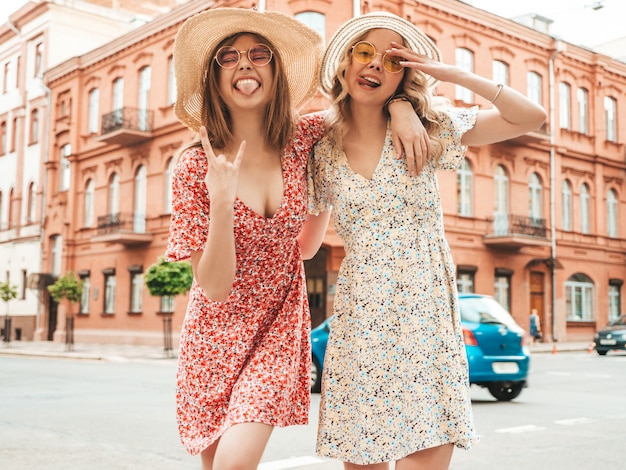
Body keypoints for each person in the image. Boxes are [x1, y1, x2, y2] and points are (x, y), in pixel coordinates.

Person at [166, 8, 430, 470]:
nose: (245, 64)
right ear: (214, 77)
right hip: (213, 338)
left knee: (234, 463)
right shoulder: (192, 167)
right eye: (228, 57)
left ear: (275, 71)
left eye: (259, 54)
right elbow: (214, 286)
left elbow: (361, 101)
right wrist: (222, 200)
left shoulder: (305, 136)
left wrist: (403, 108)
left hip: (277, 328)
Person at [308, 11, 547, 470]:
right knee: (363, 460)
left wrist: (444, 75)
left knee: (425, 458)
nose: (374, 65)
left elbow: (529, 117)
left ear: (406, 75)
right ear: (342, 64)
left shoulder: (433, 124)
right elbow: (306, 247)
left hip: (426, 312)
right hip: (362, 317)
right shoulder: (322, 147)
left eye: (392, 60)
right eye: (364, 52)